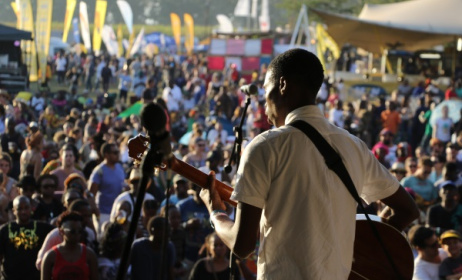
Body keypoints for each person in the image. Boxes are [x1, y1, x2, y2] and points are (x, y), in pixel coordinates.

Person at [199, 49, 419, 279]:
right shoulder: (354, 146)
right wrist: (363, 251)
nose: (264, 104)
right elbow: (407, 210)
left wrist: (215, 213)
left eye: (266, 89)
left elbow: (242, 246)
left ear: (282, 85)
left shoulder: (265, 147)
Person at [0, 196, 53, 279]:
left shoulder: (43, 228)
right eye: (19, 209)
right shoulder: (4, 230)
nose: (23, 211)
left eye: (26, 208)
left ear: (31, 209)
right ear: (14, 211)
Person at [41, 211, 98, 280]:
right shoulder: (50, 256)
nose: (77, 234)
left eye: (80, 231)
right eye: (72, 231)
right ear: (61, 231)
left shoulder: (89, 255)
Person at [88, 142, 126, 236]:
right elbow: (90, 194)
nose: (118, 155)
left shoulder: (120, 167)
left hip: (118, 214)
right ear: (106, 155)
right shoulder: (99, 171)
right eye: (115, 152)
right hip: (104, 213)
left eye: (118, 152)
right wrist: (97, 214)